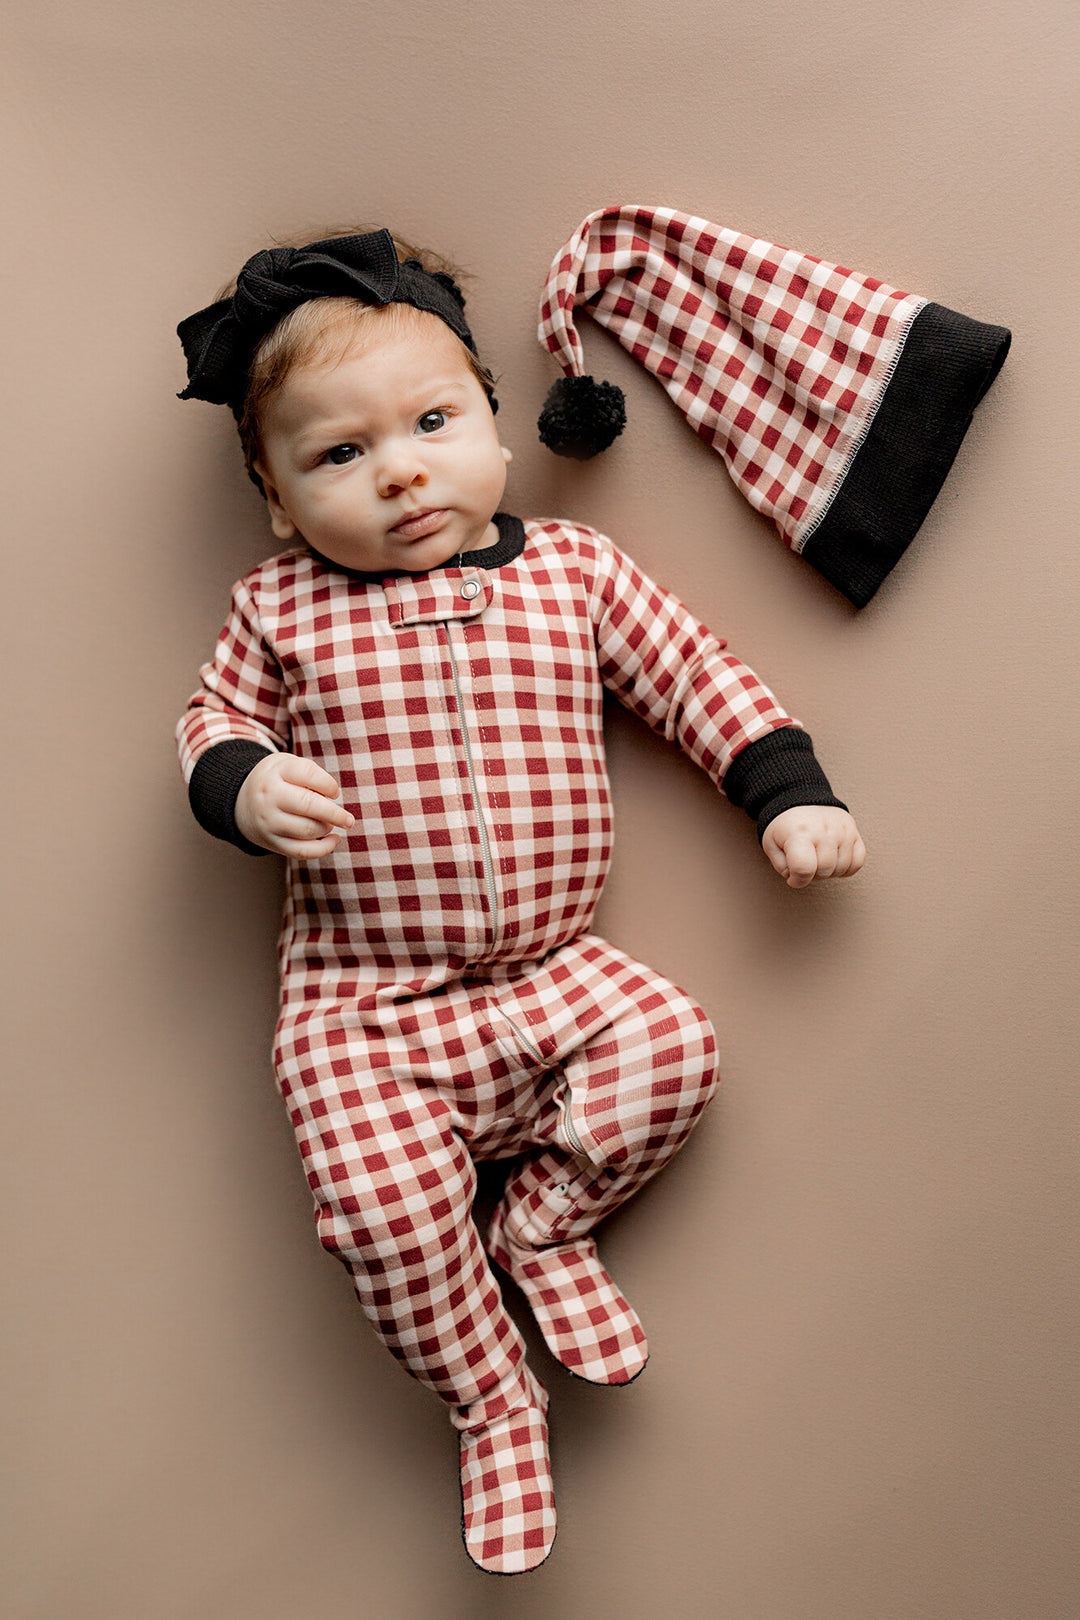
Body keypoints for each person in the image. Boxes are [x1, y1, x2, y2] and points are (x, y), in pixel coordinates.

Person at [174, 226, 865, 1575]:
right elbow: (210, 723)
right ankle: (492, 1399)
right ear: (276, 498)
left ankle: (540, 1226)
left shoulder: (571, 573)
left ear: (493, 420)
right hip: (363, 1010)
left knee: (676, 1043)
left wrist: (787, 790)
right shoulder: (280, 607)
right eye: (338, 455)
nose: (401, 472)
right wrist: (246, 785)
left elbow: (692, 675)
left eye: (433, 422)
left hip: (553, 973)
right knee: (377, 1217)